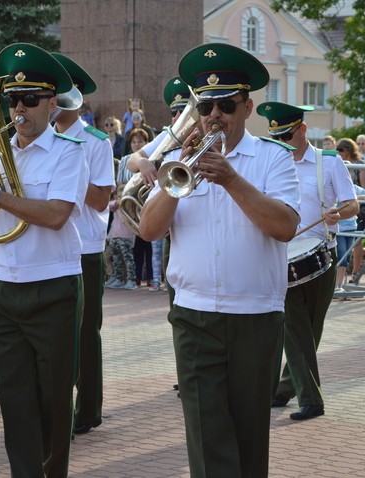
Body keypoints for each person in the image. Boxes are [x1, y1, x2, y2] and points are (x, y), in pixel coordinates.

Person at [138, 42, 301, 478]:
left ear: (247, 107)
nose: (215, 116)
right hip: (194, 317)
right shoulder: (178, 161)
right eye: (206, 105)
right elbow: (149, 231)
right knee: (208, 440)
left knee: (250, 441)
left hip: (255, 317)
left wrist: (231, 179)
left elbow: (284, 226)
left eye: (226, 105)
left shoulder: (273, 158)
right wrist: (176, 179)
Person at [0, 42, 88, 477]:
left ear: (51, 105)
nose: (18, 108)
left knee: (53, 399)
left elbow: (57, 216)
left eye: (29, 100)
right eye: (12, 100)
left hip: (54, 289)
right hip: (1, 287)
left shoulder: (68, 151)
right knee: (14, 399)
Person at [257, 102, 358, 420]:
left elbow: (352, 204)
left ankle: (283, 389)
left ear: (302, 130)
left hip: (320, 255)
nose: (283, 143)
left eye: (287, 135)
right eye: (277, 137)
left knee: (310, 332)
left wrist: (337, 212)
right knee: (296, 329)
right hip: (281, 255)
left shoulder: (328, 162)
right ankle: (311, 400)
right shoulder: (271, 162)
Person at [51, 52, 116, 436]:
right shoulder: (35, 139)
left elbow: (98, 198)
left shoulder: (94, 142)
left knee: (85, 334)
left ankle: (89, 409)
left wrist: (65, 177)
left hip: (85, 248)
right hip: (49, 248)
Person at [337, 137, 365, 284]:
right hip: (340, 228)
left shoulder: (352, 188)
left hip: (351, 227)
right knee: (341, 256)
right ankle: (337, 286)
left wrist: (360, 197)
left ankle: (341, 285)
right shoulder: (336, 188)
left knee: (346, 258)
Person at [105, 184, 137, 290]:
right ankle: (119, 279)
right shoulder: (115, 206)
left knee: (128, 259)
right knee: (117, 259)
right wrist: (116, 202)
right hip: (115, 236)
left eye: (122, 197)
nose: (120, 199)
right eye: (118, 197)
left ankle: (131, 280)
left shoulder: (129, 206)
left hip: (126, 237)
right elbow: (107, 206)